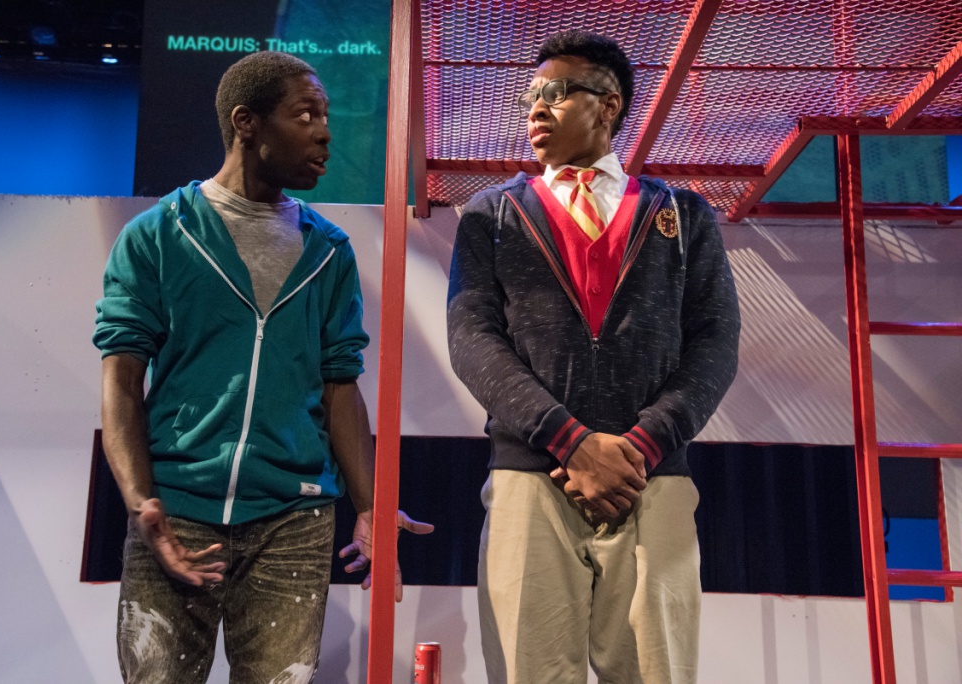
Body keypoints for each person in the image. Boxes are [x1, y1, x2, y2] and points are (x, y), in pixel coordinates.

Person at [94, 50, 431, 683]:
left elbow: (340, 385)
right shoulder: (158, 234)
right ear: (246, 122)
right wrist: (141, 503)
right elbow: (121, 379)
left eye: (326, 116)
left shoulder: (328, 251)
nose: (325, 132)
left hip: (293, 521)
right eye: (306, 114)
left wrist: (369, 506)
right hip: (178, 508)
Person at [446, 30, 740, 684]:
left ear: (608, 105)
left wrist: (642, 445)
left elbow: (717, 343)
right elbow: (471, 339)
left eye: (555, 93)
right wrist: (568, 440)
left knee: (656, 673)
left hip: (650, 477)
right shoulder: (491, 215)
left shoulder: (684, 215)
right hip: (532, 476)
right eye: (529, 97)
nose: (535, 108)